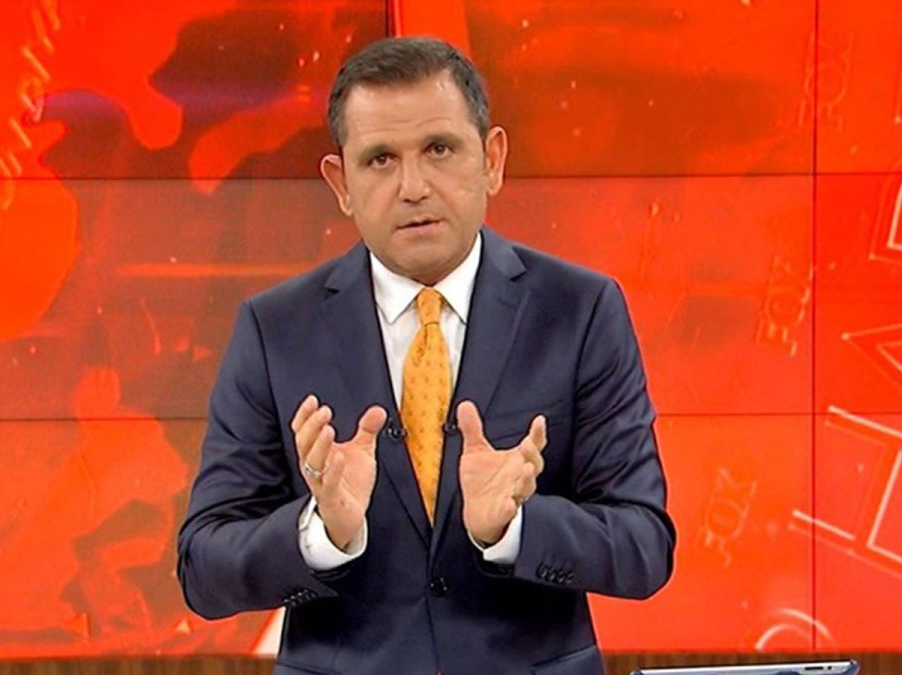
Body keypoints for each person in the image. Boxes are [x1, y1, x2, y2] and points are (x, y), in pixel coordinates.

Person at [176, 36, 675, 675]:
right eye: (380, 159)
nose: (413, 187)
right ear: (341, 184)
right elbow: (203, 567)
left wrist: (515, 528)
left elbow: (643, 547)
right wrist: (322, 531)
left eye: (439, 149)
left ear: (491, 160)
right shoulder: (276, 329)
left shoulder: (579, 311)